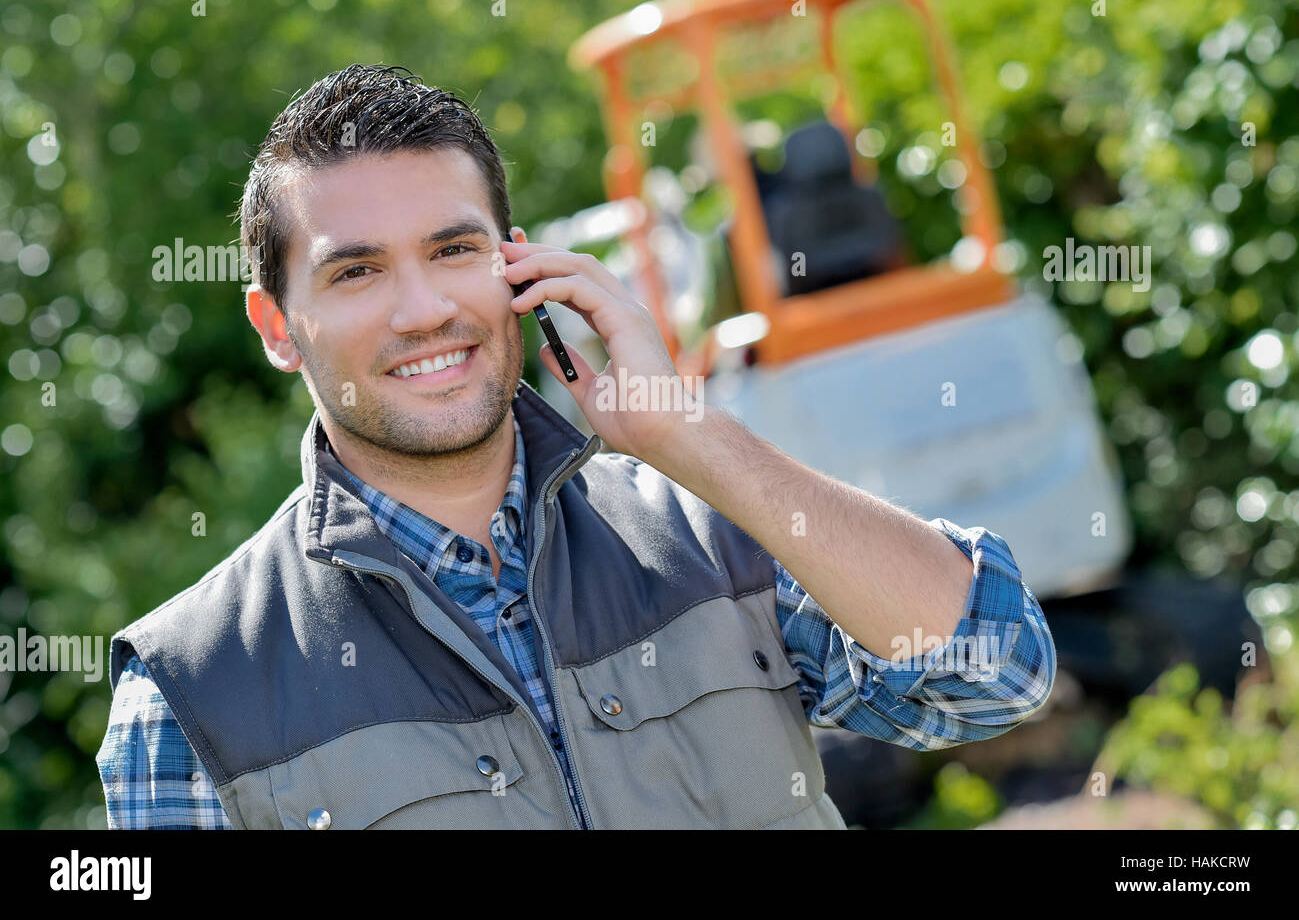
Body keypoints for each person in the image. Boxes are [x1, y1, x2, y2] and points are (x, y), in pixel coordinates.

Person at [95, 64, 1056, 830]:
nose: (425, 309)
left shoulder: (708, 533)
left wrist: (691, 434)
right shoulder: (190, 696)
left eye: (454, 250)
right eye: (357, 272)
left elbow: (993, 674)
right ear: (275, 325)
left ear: (521, 265)